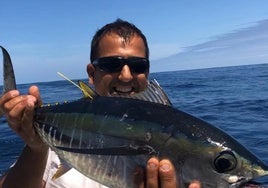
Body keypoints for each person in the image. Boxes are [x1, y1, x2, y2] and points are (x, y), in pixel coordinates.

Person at [0, 19, 201, 188]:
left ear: (147, 72)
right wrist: (36, 147)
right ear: (91, 73)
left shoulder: (178, 131)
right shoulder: (52, 147)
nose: (125, 75)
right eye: (112, 64)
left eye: (138, 65)